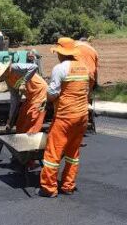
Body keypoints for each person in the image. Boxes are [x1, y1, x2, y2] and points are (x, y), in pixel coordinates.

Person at [39, 37, 91, 198]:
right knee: (72, 153)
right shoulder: (84, 67)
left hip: (65, 116)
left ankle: (49, 188)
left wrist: (46, 100)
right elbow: (85, 91)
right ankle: (68, 185)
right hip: (82, 116)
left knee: (52, 153)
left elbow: (53, 92)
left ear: (61, 53)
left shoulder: (60, 68)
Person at [0, 61, 47, 134]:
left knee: (32, 118)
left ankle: (30, 141)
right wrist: (10, 120)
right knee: (21, 121)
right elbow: (14, 99)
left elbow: (34, 67)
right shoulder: (8, 80)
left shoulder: (15, 68)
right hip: (30, 97)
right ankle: (21, 141)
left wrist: (23, 82)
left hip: (41, 93)